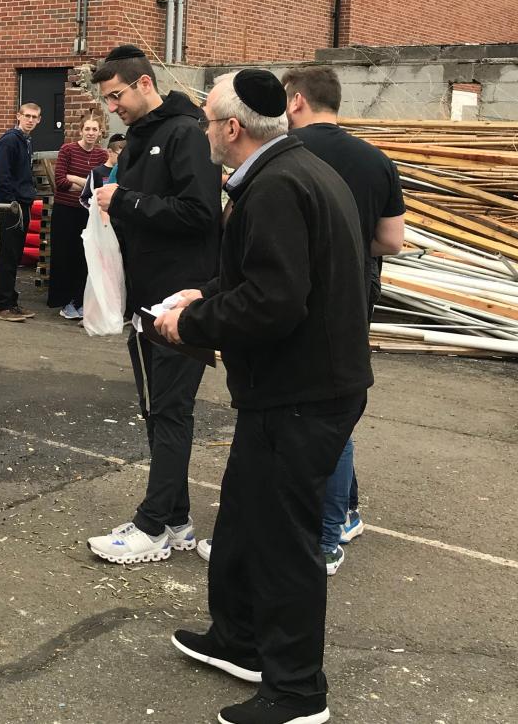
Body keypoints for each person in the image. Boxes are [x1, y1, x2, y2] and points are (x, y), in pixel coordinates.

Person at [154, 69, 372, 724]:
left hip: (303, 393)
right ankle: (240, 639)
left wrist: (190, 323)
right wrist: (209, 295)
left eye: (207, 121)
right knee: (247, 518)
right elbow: (266, 273)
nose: (203, 133)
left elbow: (276, 300)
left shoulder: (276, 185)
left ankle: (297, 691)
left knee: (283, 540)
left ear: (231, 128)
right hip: (289, 388)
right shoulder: (290, 169)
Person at [84, 46, 221, 566]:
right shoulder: (141, 136)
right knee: (156, 408)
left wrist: (125, 201)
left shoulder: (185, 133)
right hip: (145, 297)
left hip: (179, 299)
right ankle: (177, 519)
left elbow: (200, 213)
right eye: (106, 98)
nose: (111, 106)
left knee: (169, 410)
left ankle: (153, 526)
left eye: (116, 95)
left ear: (144, 84)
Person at [284, 63, 404, 573]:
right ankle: (347, 510)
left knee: (313, 416)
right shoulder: (376, 160)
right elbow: (393, 241)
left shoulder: (288, 157)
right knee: (339, 406)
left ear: (295, 102)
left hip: (302, 300)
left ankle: (327, 531)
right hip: (357, 297)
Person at [48, 116, 107, 319]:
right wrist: (88, 183)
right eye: (87, 129)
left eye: (95, 129)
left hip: (87, 213)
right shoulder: (68, 150)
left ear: (100, 133)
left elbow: (100, 185)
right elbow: (61, 182)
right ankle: (64, 303)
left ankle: (79, 300)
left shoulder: (102, 154)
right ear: (80, 131)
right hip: (66, 210)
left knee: (84, 257)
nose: (91, 133)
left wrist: (76, 179)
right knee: (64, 256)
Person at [0, 102, 41, 322]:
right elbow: (1, 176)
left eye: (34, 117)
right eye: (27, 115)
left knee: (15, 255)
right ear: (18, 116)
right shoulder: (10, 140)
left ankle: (11, 301)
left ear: (39, 120)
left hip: (23, 203)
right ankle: (3, 306)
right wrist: (11, 203)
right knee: (8, 255)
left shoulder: (25, 141)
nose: (30, 120)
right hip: (13, 206)